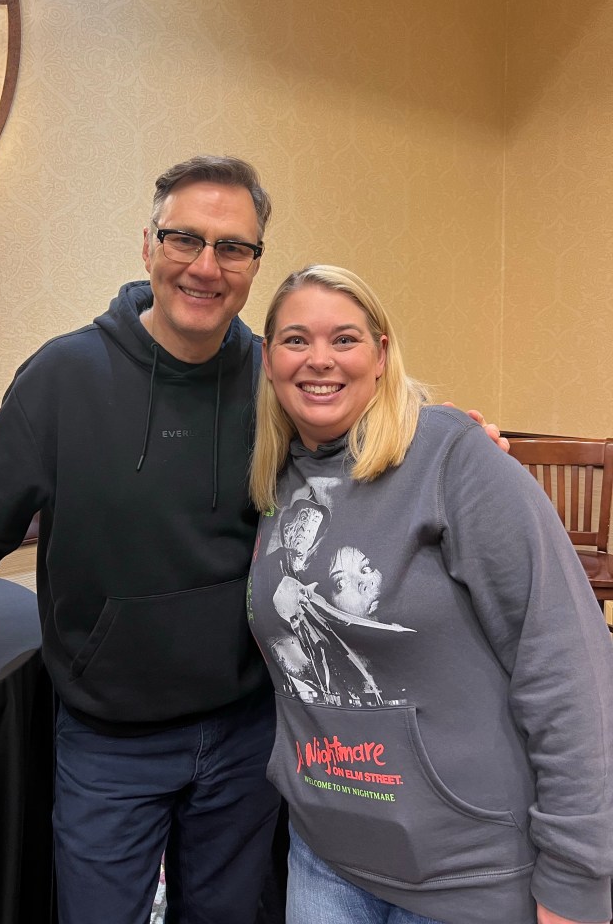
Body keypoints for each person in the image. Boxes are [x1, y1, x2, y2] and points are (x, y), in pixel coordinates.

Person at [0, 157, 507, 924]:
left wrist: (452, 443)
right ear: (148, 245)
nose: (206, 265)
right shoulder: (64, 378)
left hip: (250, 733)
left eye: (233, 247)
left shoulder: (274, 379)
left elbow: (366, 424)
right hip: (108, 742)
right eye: (184, 238)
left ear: (254, 263)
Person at [247, 264, 613, 924]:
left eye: (345, 339)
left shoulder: (455, 459)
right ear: (268, 360)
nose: (320, 359)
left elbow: (568, 666)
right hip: (324, 858)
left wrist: (576, 876)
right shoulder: (276, 480)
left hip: (465, 873)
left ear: (382, 353)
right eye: (296, 340)